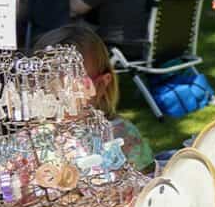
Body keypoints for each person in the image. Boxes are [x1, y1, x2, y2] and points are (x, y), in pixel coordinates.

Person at [32, 24, 154, 173]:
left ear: (101, 85)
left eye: (71, 92)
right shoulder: (36, 138)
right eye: (46, 89)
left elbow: (148, 183)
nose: (57, 103)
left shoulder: (121, 134)